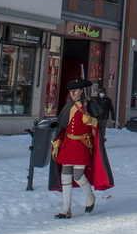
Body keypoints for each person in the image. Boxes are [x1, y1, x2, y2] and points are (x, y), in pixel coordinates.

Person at [48, 78, 114, 219]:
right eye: (71, 91)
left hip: (82, 144)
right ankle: (66, 209)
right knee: (65, 175)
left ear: (81, 91)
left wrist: (91, 120)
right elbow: (63, 127)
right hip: (68, 143)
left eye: (75, 91)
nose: (73, 93)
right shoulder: (68, 106)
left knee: (78, 176)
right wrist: (58, 142)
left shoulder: (89, 105)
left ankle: (90, 197)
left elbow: (98, 124)